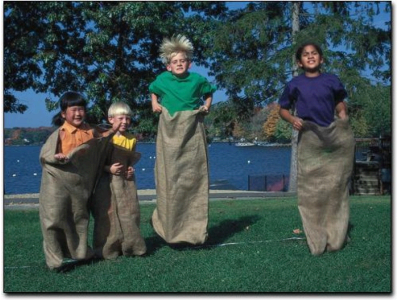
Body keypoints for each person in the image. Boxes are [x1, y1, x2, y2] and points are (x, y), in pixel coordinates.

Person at [279, 42, 355, 255]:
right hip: (309, 138)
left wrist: (343, 124)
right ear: (299, 62)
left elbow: (340, 107)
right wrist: (292, 119)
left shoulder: (331, 80)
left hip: (331, 137)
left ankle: (336, 234)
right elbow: (282, 109)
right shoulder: (295, 84)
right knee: (312, 191)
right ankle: (316, 237)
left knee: (334, 186)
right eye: (305, 54)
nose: (310, 56)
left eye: (314, 54)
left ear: (321, 59)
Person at [149, 34, 217, 246]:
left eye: (182, 61)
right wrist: (154, 103)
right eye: (174, 62)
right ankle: (169, 227)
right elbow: (153, 91)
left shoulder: (197, 80)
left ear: (190, 63)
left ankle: (193, 231)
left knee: (193, 177)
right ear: (168, 66)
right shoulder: (162, 79)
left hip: (191, 129)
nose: (179, 64)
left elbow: (208, 93)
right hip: (170, 130)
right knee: (170, 178)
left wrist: (207, 106)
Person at [39, 91, 115, 270]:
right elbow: (47, 154)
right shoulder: (61, 133)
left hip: (80, 185)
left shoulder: (90, 131)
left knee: (79, 218)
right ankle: (55, 260)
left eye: (81, 109)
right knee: (53, 218)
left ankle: (81, 253)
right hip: (57, 181)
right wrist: (56, 156)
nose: (78, 113)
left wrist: (116, 127)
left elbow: (103, 143)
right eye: (73, 110)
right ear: (64, 114)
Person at [91, 102, 146, 259]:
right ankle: (108, 247)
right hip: (105, 180)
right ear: (110, 119)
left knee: (130, 211)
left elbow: (131, 159)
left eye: (128, 119)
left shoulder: (131, 139)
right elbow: (96, 162)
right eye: (121, 118)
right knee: (107, 213)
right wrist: (110, 169)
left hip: (125, 181)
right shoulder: (104, 138)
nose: (125, 122)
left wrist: (130, 169)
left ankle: (130, 244)